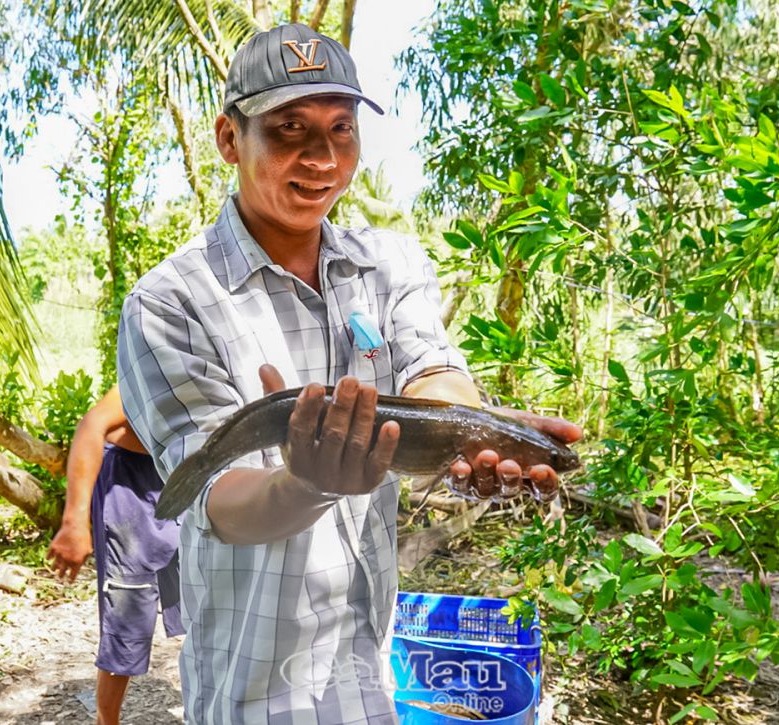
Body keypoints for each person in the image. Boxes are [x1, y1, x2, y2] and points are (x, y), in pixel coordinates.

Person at [116, 22, 583, 724]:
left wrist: (477, 427)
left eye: (341, 128)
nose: (321, 155)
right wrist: (303, 484)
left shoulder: (388, 263)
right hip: (254, 695)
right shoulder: (170, 302)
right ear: (227, 138)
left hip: (369, 679)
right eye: (289, 129)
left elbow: (433, 371)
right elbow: (216, 501)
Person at [47, 386, 184, 725]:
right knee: (127, 611)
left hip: (183, 482)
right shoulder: (155, 364)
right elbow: (93, 426)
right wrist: (74, 522)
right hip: (129, 488)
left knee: (204, 602)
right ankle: (106, 719)